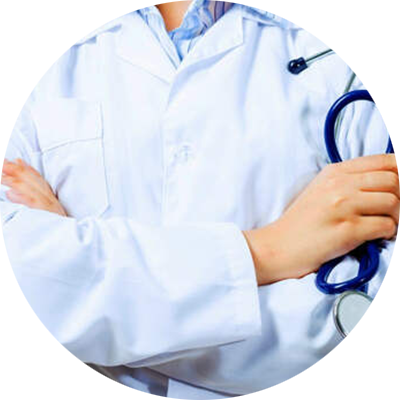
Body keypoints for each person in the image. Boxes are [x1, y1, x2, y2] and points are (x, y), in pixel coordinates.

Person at [0, 0, 400, 399]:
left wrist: (88, 310)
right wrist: (266, 252)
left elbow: (388, 321)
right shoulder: (28, 42)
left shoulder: (373, 21)